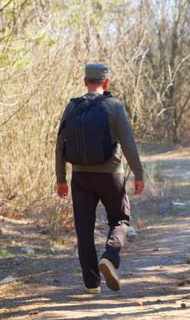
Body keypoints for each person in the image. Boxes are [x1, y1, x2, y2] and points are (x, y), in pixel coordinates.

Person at [55, 63, 144, 294]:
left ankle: (91, 284)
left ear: (86, 81)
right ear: (106, 82)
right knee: (120, 220)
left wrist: (60, 178)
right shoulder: (114, 105)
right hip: (111, 175)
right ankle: (110, 256)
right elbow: (128, 144)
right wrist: (139, 174)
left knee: (83, 229)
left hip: (80, 177)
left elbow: (59, 145)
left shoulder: (72, 106)